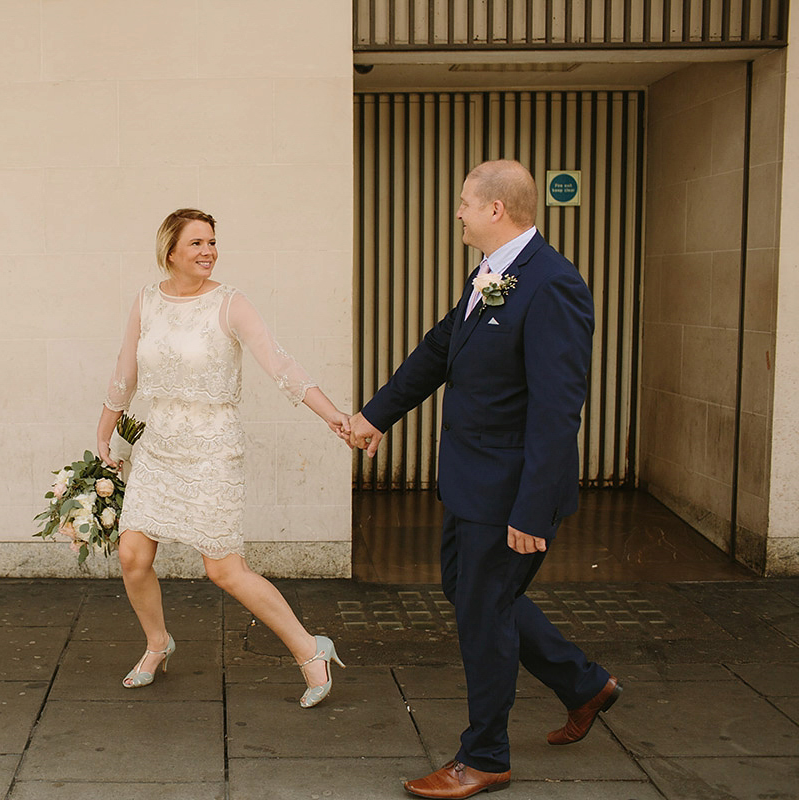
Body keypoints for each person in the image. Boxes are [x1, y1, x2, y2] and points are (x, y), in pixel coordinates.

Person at [345, 161, 622, 798]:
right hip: (472, 482)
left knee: (484, 610)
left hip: (511, 490)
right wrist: (374, 415)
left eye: (466, 202)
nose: (459, 212)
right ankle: (585, 684)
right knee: (467, 590)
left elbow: (558, 410)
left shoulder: (553, 285)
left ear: (496, 209)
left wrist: (532, 510)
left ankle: (486, 755)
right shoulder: (491, 273)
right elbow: (441, 348)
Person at [98, 208, 348, 707]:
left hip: (212, 446)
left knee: (223, 569)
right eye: (196, 243)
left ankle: (310, 649)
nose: (208, 251)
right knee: (132, 554)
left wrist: (333, 415)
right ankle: (156, 644)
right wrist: (105, 436)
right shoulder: (146, 301)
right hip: (158, 443)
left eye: (212, 242)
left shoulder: (231, 304)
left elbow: (280, 364)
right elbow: (126, 368)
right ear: (170, 250)